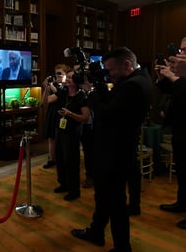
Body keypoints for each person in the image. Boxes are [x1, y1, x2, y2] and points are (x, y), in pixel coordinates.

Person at [71, 47, 152, 252]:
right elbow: (113, 103)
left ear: (126, 65)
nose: (109, 75)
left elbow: (107, 114)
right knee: (105, 196)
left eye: (111, 70)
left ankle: (122, 247)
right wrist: (100, 86)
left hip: (114, 152)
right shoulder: (139, 78)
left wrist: (91, 91)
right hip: (117, 149)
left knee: (115, 203)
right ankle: (96, 231)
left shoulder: (133, 85)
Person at [155, 37, 186, 229]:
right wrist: (163, 75)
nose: (181, 54)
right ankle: (182, 203)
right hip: (180, 131)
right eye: (181, 50)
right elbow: (172, 91)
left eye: (185, 50)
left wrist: (175, 77)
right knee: (182, 172)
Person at [49, 69, 90, 201]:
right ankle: (63, 184)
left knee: (71, 162)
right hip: (60, 131)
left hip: (72, 133)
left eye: (70, 78)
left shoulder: (82, 97)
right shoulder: (63, 93)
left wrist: (70, 114)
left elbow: (85, 117)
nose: (67, 79)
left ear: (76, 82)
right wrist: (45, 88)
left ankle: (74, 190)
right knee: (60, 159)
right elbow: (45, 101)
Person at [41, 64, 70, 169]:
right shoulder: (55, 86)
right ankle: (52, 159)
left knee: (60, 139)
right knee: (51, 138)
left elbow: (57, 96)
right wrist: (46, 88)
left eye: (60, 73)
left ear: (65, 74)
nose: (57, 76)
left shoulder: (66, 87)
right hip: (51, 114)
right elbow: (44, 101)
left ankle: (59, 159)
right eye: (56, 73)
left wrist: (51, 85)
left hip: (60, 115)